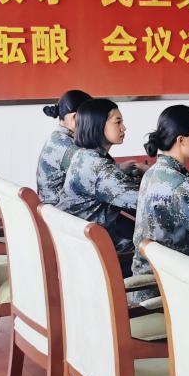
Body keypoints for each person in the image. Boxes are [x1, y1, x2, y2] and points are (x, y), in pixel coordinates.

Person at [131, 105, 189, 277]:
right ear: (181, 140)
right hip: (167, 281)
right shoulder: (180, 185)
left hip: (148, 273)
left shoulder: (152, 172)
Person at [57, 98, 142, 267]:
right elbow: (143, 201)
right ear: (98, 125)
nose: (123, 128)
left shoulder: (84, 155)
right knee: (163, 246)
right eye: (117, 122)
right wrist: (154, 175)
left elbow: (115, 182)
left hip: (75, 240)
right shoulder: (99, 168)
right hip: (90, 252)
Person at [36, 88, 91, 204]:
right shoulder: (69, 147)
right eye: (91, 117)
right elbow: (97, 175)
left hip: (50, 208)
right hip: (61, 211)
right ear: (75, 117)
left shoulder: (57, 137)